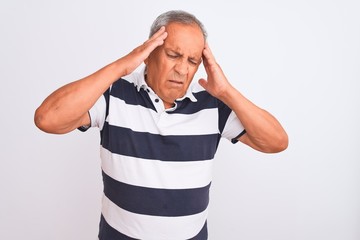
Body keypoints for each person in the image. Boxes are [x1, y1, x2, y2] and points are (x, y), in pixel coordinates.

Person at [34, 10, 288, 240]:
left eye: (192, 61)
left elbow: (276, 142)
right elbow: (48, 119)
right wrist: (121, 67)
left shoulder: (213, 104)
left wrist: (227, 91)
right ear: (149, 52)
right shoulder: (114, 94)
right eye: (173, 55)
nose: (182, 69)